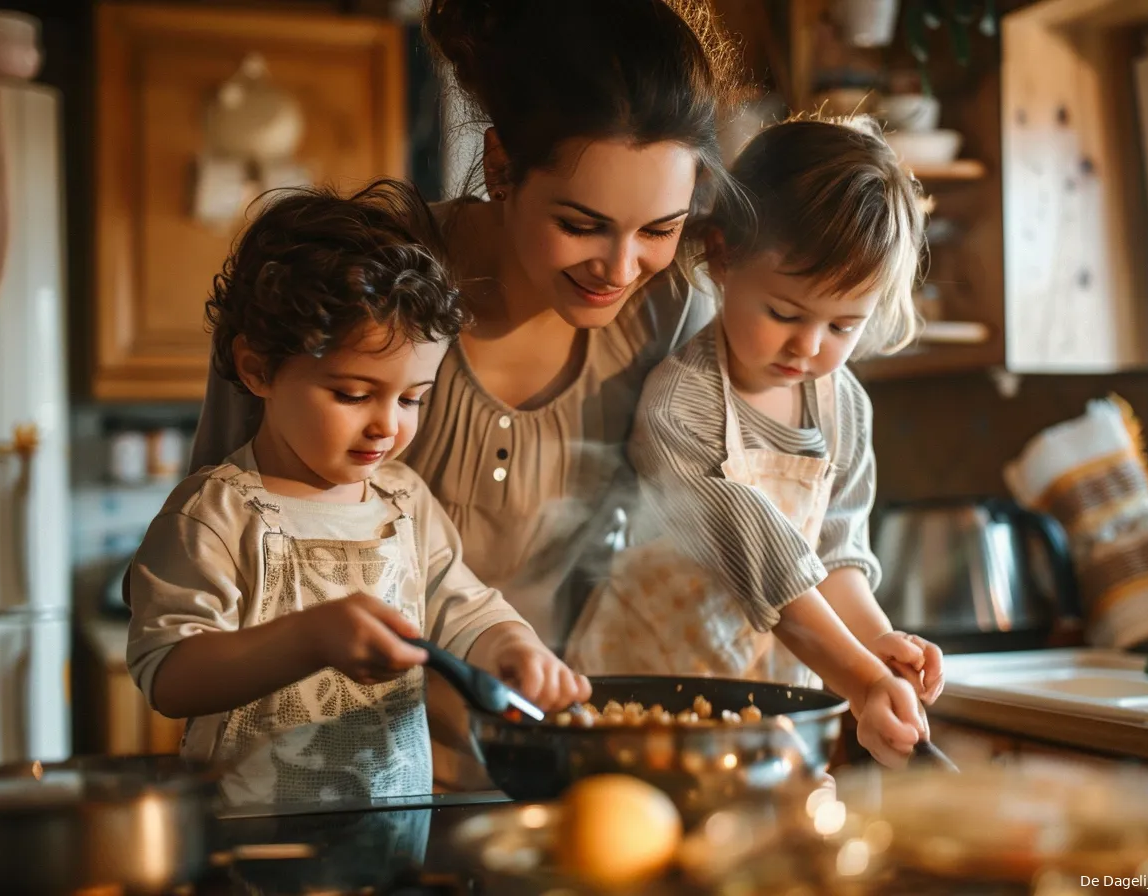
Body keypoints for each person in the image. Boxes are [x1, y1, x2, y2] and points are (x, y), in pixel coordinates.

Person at [186, 0, 744, 787]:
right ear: (504, 166)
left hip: (554, 763)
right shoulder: (361, 287)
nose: (621, 268)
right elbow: (218, 523)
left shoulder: (672, 316)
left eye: (659, 229)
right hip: (329, 775)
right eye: (583, 225)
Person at [126, 181, 589, 805]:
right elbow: (170, 676)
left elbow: (462, 605)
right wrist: (309, 637)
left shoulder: (403, 501)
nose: (387, 424)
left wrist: (512, 645)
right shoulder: (215, 514)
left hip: (395, 830)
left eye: (412, 398)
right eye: (351, 394)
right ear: (258, 368)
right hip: (250, 841)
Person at [566, 118, 945, 767]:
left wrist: (879, 643)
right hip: (639, 695)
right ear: (722, 255)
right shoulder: (678, 407)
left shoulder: (843, 404)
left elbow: (836, 558)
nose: (809, 345)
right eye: (785, 313)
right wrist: (861, 680)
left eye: (843, 325)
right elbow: (774, 569)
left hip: (763, 709)